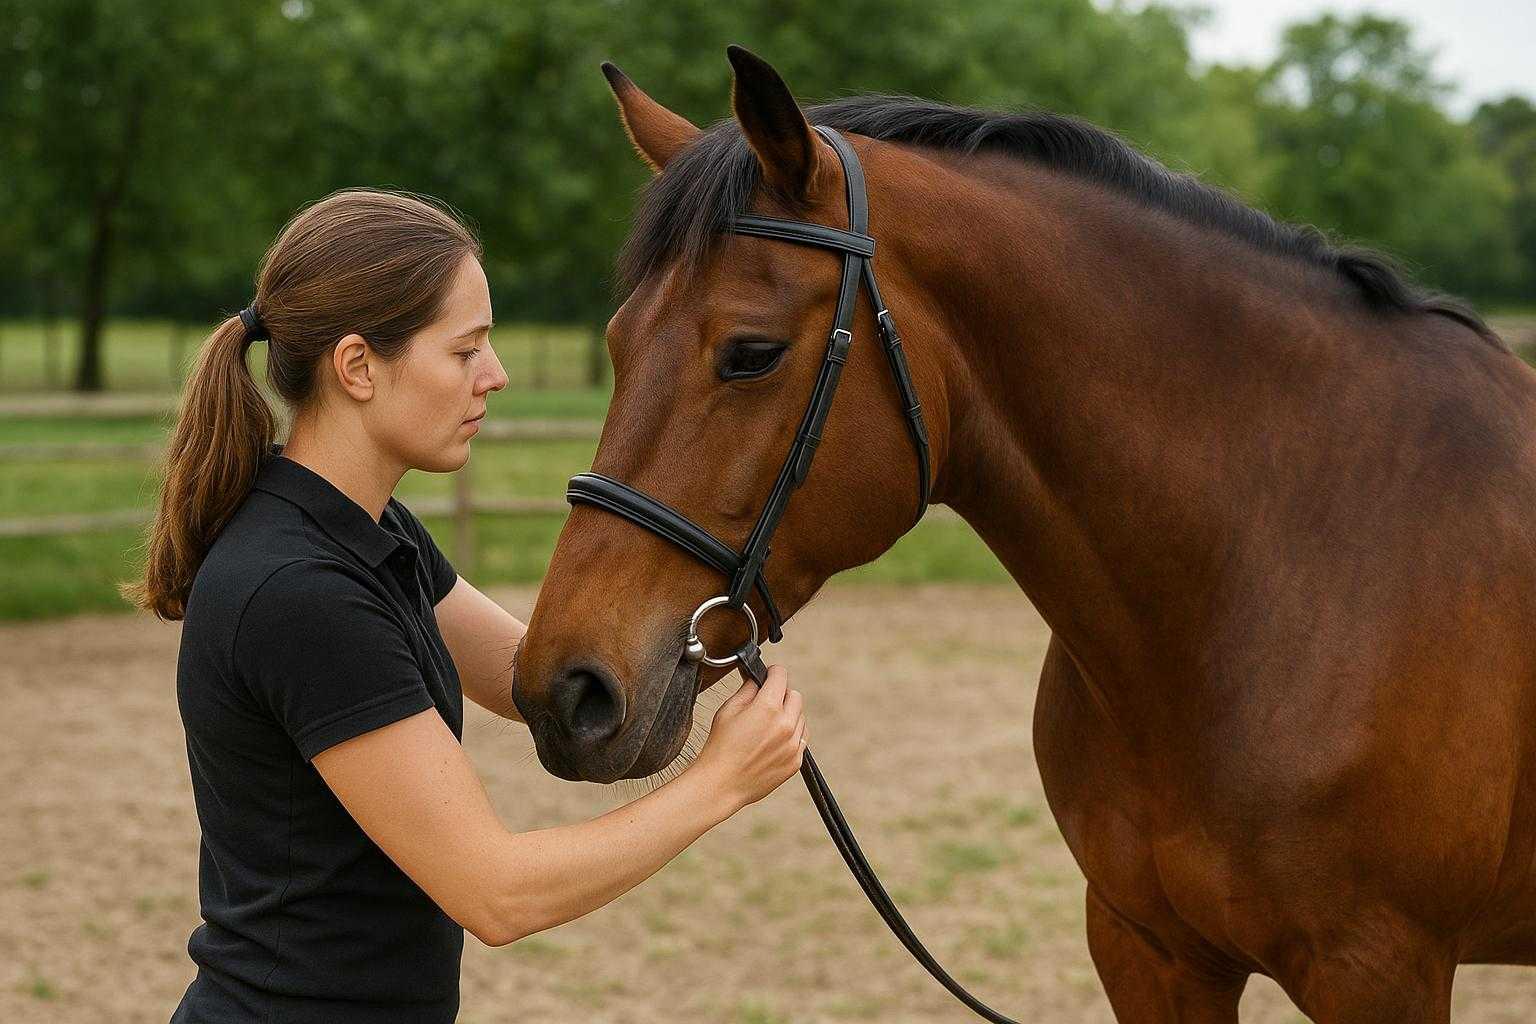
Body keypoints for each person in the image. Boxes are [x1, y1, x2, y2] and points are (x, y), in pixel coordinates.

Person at [123, 188, 808, 1024]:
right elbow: (496, 892)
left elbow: (530, 677)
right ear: (357, 367)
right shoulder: (300, 589)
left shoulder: (370, 532)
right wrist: (721, 782)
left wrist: (703, 622)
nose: (497, 375)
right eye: (466, 350)